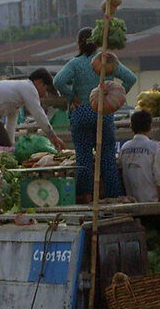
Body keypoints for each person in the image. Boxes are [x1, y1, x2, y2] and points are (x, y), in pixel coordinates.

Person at [54, 28, 136, 198]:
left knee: (84, 157)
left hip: (82, 112)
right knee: (107, 157)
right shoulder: (105, 61)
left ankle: (86, 196)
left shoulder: (75, 64)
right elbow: (131, 78)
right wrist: (115, 98)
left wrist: (72, 96)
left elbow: (58, 81)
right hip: (103, 114)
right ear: (97, 43)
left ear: (79, 44)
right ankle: (114, 196)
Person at [0, 69, 66, 149]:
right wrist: (53, 136)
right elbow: (38, 114)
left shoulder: (17, 98)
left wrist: (11, 146)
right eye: (46, 89)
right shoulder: (29, 88)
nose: (45, 94)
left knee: (3, 144)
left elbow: (11, 122)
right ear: (39, 82)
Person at [119, 110, 160, 202]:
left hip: (131, 201)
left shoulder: (124, 148)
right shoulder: (155, 147)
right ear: (150, 126)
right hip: (152, 201)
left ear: (131, 127)